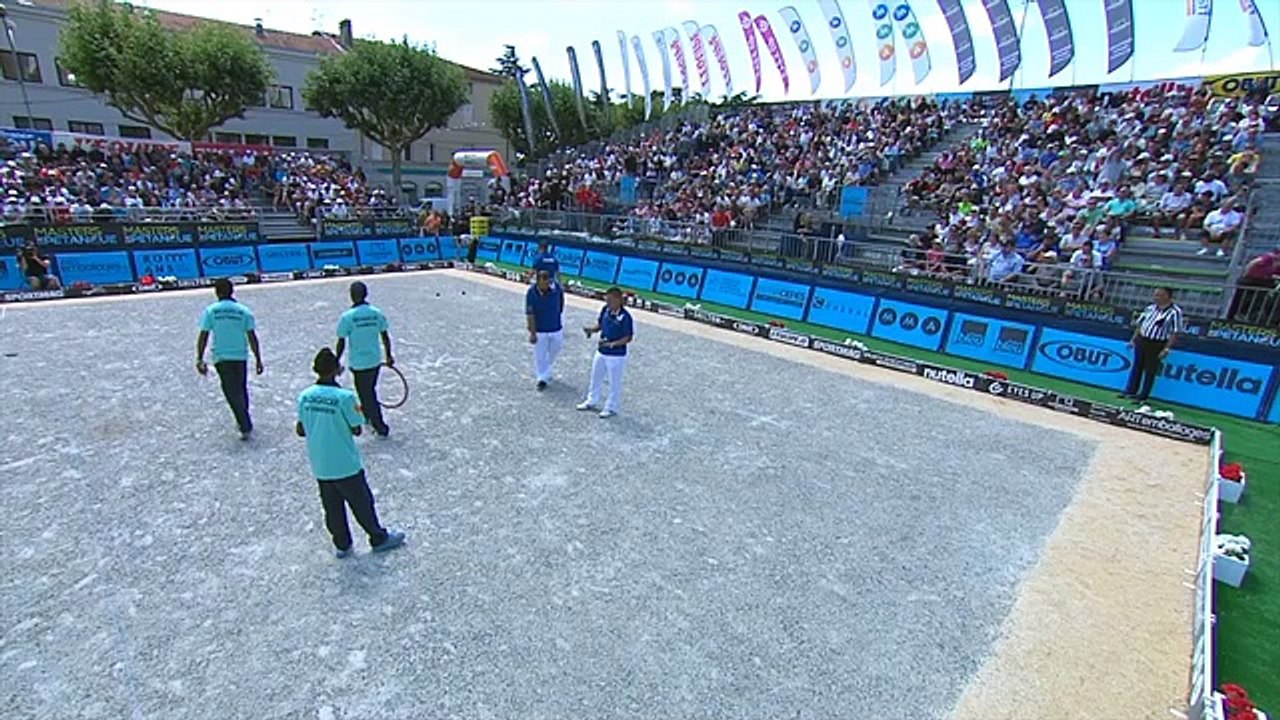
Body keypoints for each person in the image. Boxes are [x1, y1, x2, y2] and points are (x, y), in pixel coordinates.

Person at [296, 348, 405, 559]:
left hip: (321, 464)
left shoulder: (305, 396)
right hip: (345, 463)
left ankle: (342, 544)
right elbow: (356, 428)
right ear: (337, 369)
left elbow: (300, 429)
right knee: (362, 503)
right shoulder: (345, 397)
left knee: (332, 507)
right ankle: (378, 537)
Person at [196, 278, 263, 440]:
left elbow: (204, 335)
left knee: (231, 391)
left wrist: (199, 358)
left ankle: (244, 423)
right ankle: (243, 418)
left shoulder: (211, 311)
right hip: (240, 355)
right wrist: (258, 358)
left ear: (216, 292)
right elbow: (252, 336)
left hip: (221, 356)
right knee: (240, 388)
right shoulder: (243, 311)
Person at [334, 281, 393, 438]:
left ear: (352, 296)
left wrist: (336, 361)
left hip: (358, 363)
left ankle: (380, 426)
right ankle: (367, 416)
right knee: (368, 391)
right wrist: (389, 355)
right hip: (374, 360)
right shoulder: (376, 313)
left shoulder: (347, 317)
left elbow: (341, 341)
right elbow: (385, 336)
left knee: (367, 394)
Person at [576, 287, 634, 419]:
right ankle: (592, 400)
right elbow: (600, 324)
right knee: (595, 377)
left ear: (619, 300)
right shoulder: (605, 310)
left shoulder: (625, 317)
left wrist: (613, 344)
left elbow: (628, 337)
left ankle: (611, 407)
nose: (608, 303)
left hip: (616, 355)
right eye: (607, 300)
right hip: (602, 351)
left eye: (610, 300)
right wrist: (591, 330)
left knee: (614, 382)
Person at [1121, 287, 1184, 403]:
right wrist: (1133, 340)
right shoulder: (1150, 308)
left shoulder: (1175, 312)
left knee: (1150, 370)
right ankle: (1130, 391)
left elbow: (1175, 332)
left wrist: (1166, 349)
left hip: (1157, 343)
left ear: (1167, 296)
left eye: (1159, 295)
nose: (1156, 297)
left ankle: (1143, 396)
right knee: (1137, 366)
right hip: (1142, 340)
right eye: (1155, 295)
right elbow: (1141, 324)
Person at [526, 269, 565, 390]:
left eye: (548, 281)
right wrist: (532, 333)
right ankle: (542, 378)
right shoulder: (531, 293)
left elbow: (561, 301)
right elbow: (530, 314)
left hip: (556, 327)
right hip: (540, 329)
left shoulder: (556, 288)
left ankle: (545, 369)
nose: (547, 284)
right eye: (544, 282)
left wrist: (558, 313)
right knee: (540, 355)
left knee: (556, 349)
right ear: (538, 281)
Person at [1228, 248, 1280, 322]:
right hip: (1250, 280)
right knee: (1240, 299)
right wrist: (1245, 275)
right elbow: (1253, 263)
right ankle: (1233, 316)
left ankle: (1251, 316)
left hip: (1265, 283)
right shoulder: (1269, 257)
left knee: (1261, 299)